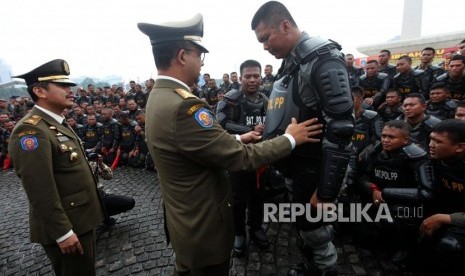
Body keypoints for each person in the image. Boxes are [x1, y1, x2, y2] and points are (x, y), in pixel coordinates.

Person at [138, 13, 322, 275]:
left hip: (184, 223)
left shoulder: (158, 96)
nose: (201, 65)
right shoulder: (185, 106)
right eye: (198, 56)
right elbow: (241, 159)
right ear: (182, 56)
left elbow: (192, 144)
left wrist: (237, 137)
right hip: (203, 228)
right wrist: (290, 138)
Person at [251, 2, 354, 275]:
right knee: (303, 223)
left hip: (315, 168)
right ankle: (311, 264)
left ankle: (325, 269)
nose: (264, 46)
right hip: (295, 165)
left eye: (266, 38)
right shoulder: (292, 62)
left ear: (285, 25)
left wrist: (326, 192)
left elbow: (342, 129)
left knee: (314, 227)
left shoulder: (323, 59)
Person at [8, 59, 104, 275]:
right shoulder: (31, 132)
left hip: (79, 220)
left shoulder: (55, 122)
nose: (70, 91)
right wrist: (62, 233)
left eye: (69, 85)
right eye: (62, 86)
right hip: (67, 225)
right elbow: (39, 189)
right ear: (40, 90)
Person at [216, 59, 269, 257]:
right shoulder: (230, 100)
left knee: (258, 196)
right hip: (237, 157)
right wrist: (248, 130)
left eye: (256, 76)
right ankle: (239, 233)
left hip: (260, 157)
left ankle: (256, 228)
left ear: (261, 77)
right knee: (238, 199)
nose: (252, 80)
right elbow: (220, 123)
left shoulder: (266, 99)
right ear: (241, 78)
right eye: (248, 76)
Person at [419, 119, 465, 275]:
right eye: (431, 139)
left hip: (456, 219)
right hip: (442, 209)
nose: (431, 144)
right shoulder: (435, 161)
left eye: (437, 141)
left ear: (459, 147)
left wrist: (443, 218)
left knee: (449, 245)